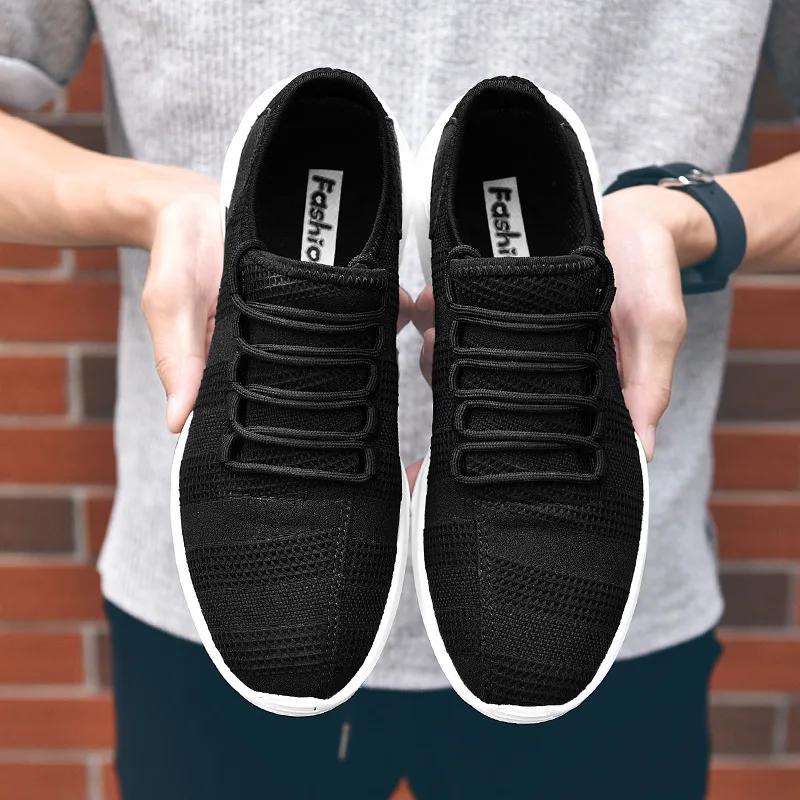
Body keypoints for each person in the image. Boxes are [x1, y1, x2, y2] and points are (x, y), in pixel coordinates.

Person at [1, 2, 798, 797]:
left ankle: (534, 281)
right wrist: (156, 206)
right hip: (195, 617)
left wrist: (689, 220)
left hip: (629, 618)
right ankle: (289, 280)